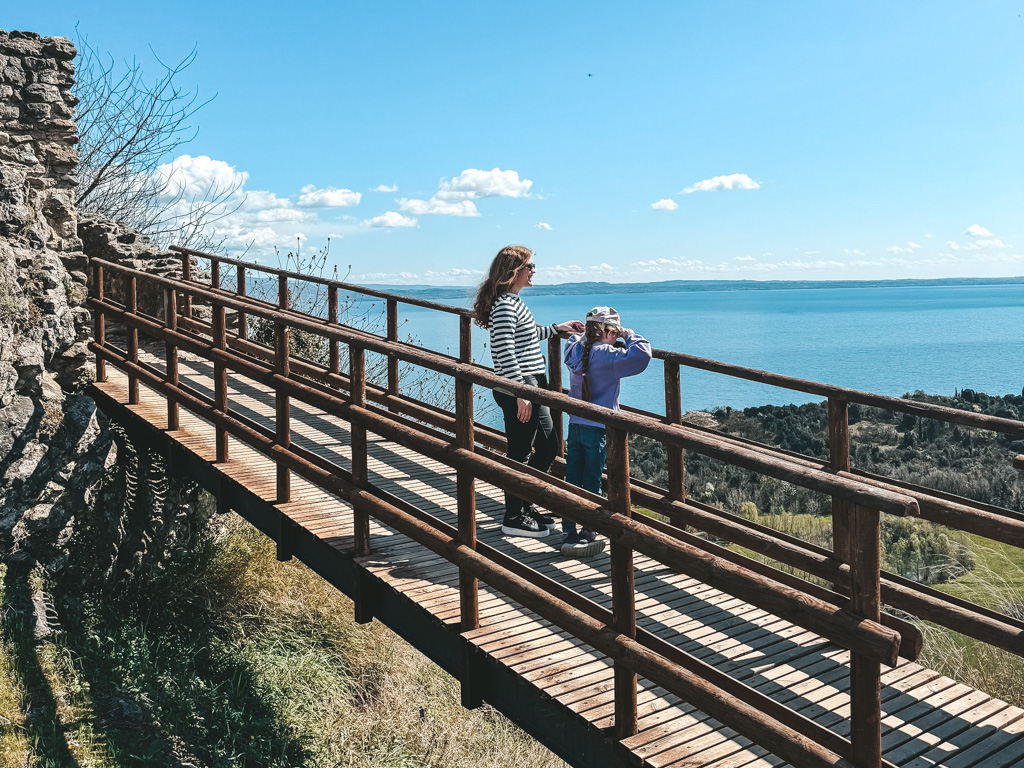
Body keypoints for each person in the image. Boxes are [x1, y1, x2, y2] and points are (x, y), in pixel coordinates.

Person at [473, 245, 583, 538]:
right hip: (521, 386)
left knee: (548, 446)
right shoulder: (506, 306)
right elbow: (504, 350)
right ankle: (513, 516)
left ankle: (523, 504)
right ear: (513, 272)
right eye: (530, 266)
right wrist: (519, 390)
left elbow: (527, 335)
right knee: (520, 452)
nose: (534, 271)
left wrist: (556, 330)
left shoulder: (513, 302)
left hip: (531, 384)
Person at [562, 307, 652, 558]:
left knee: (572, 476)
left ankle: (569, 530)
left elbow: (572, 341)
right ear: (610, 332)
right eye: (615, 332)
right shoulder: (608, 356)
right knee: (592, 480)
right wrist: (631, 335)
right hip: (598, 428)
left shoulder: (575, 350)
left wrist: (583, 335)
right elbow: (642, 356)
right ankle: (589, 530)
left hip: (575, 423)